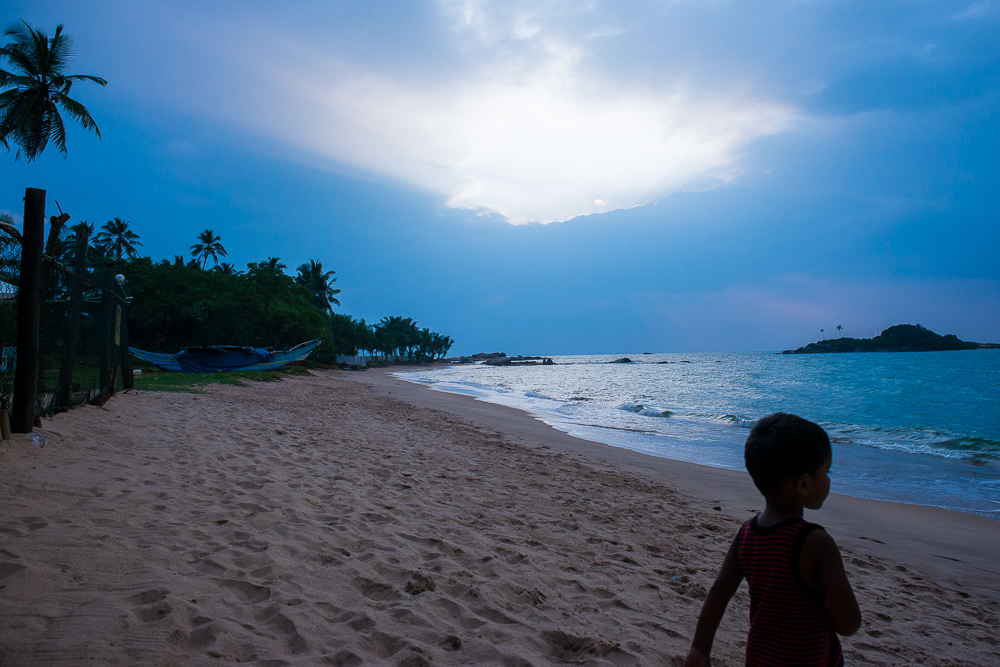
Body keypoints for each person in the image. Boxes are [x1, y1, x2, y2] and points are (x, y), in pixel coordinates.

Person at [685, 413, 861, 666]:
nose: (829, 479)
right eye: (826, 471)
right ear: (804, 484)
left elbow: (719, 591)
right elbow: (848, 623)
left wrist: (699, 649)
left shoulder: (747, 534)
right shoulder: (817, 543)